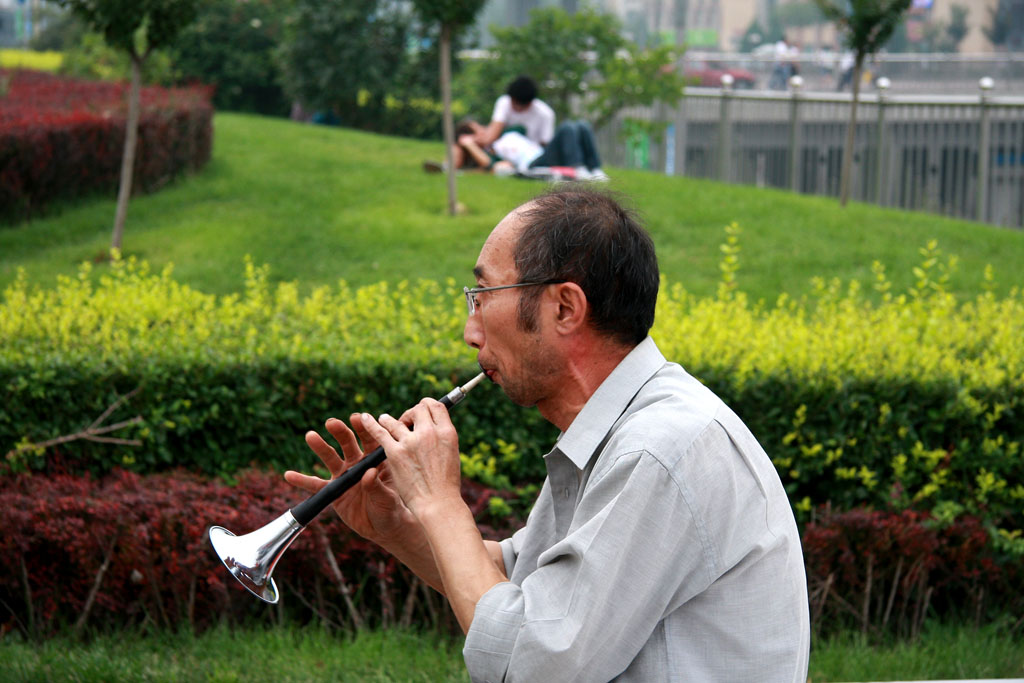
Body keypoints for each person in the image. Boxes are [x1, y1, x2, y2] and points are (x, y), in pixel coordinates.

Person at [286, 187, 811, 681]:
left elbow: (536, 663)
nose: (470, 331)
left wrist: (440, 502)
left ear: (565, 308)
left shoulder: (658, 449)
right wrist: (396, 527)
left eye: (483, 294)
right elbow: (518, 590)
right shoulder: (619, 428)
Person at [453, 117, 608, 181]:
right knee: (567, 127)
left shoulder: (507, 133)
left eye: (480, 127)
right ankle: (578, 169)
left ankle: (595, 170)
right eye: (477, 132)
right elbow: (488, 165)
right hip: (534, 164)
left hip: (543, 154)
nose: (483, 131)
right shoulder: (490, 153)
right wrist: (469, 145)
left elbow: (521, 127)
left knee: (582, 126)